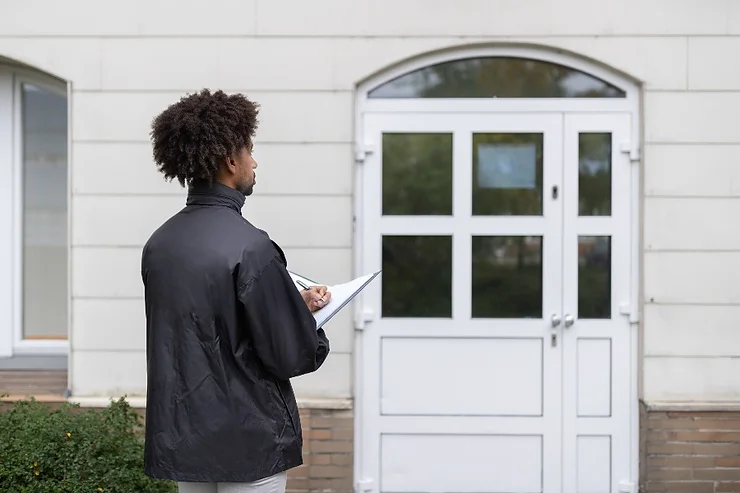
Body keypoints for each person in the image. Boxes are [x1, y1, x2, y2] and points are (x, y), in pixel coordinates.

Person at [141, 89, 331, 493]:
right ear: (231, 160)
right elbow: (290, 354)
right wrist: (306, 321)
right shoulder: (252, 246)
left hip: (186, 437)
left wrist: (288, 304)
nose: (254, 161)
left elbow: (204, 325)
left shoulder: (160, 244)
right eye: (250, 150)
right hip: (250, 441)